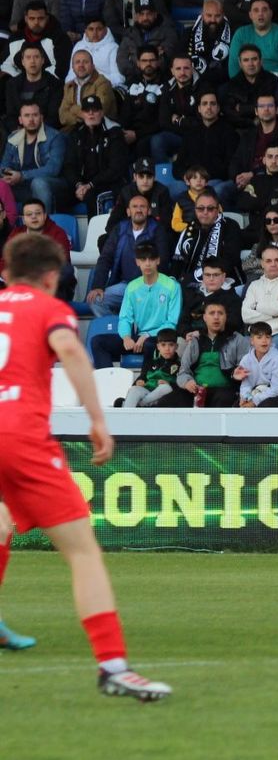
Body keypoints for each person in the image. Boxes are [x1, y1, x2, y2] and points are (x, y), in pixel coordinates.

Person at [0, 234, 172, 699]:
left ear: (6, 273)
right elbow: (72, 350)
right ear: (51, 277)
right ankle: (113, 666)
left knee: (1, 522)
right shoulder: (48, 308)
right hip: (19, 435)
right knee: (82, 552)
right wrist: (97, 420)